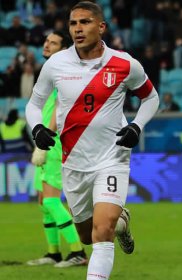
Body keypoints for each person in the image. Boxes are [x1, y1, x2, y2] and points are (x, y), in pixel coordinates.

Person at [25, 2, 159, 280]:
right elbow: (34, 103)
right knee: (87, 235)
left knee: (102, 231)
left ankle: (112, 227)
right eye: (73, 23)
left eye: (85, 22)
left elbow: (151, 97)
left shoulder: (124, 63)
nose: (77, 29)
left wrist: (137, 125)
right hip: (74, 162)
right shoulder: (57, 63)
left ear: (101, 27)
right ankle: (122, 223)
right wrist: (36, 127)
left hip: (112, 157)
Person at [26, 30, 89, 268]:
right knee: (43, 202)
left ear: (63, 49)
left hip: (53, 143)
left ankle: (78, 252)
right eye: (46, 41)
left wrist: (47, 138)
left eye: (53, 43)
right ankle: (53, 253)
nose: (47, 44)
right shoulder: (50, 70)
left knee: (52, 201)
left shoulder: (62, 72)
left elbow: (59, 107)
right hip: (45, 141)